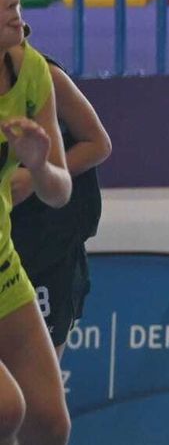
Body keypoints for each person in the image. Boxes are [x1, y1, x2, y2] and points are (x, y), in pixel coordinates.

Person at [0, 0, 75, 445]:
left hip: (2, 269)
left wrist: (38, 163)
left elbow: (58, 193)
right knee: (5, 408)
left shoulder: (32, 76)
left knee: (49, 421)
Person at [11, 48, 109, 356]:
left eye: (14, 1)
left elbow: (97, 144)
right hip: (7, 241)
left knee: (36, 388)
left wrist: (35, 175)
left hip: (47, 246)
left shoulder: (43, 75)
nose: (16, 13)